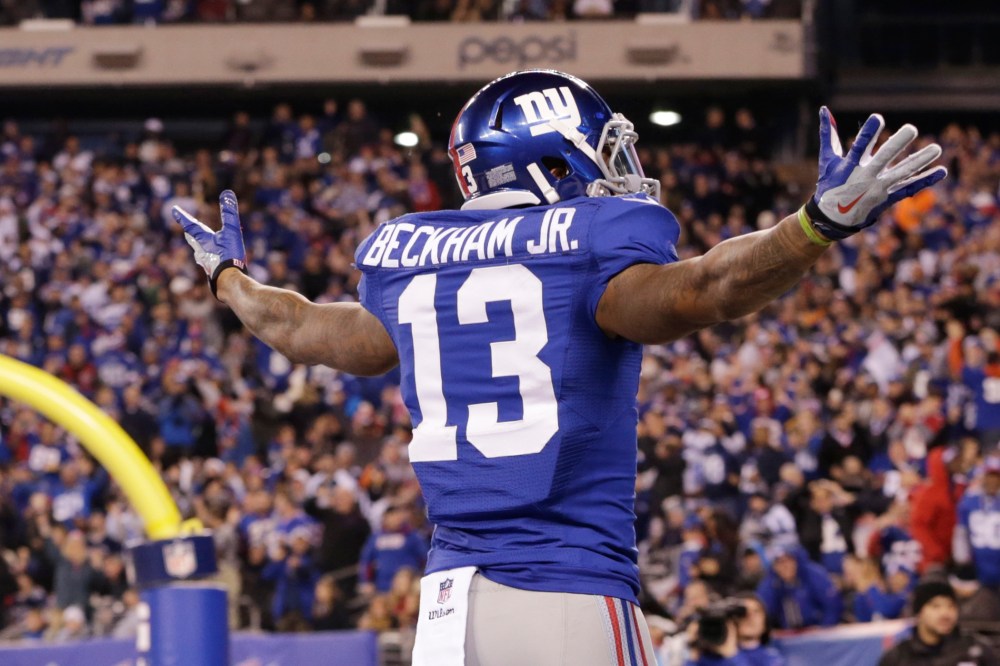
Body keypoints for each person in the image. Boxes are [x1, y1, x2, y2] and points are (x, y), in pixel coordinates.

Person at [174, 69, 945, 665]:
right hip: (567, 592)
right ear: (550, 157)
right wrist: (815, 226)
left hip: (447, 612)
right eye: (603, 149)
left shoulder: (410, 262)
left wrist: (227, 277)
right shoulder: (588, 244)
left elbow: (298, 325)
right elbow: (706, 289)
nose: (620, 168)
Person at [878, 578, 998, 665]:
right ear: (919, 613)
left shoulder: (975, 649)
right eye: (936, 606)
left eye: (951, 606)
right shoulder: (899, 657)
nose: (945, 614)